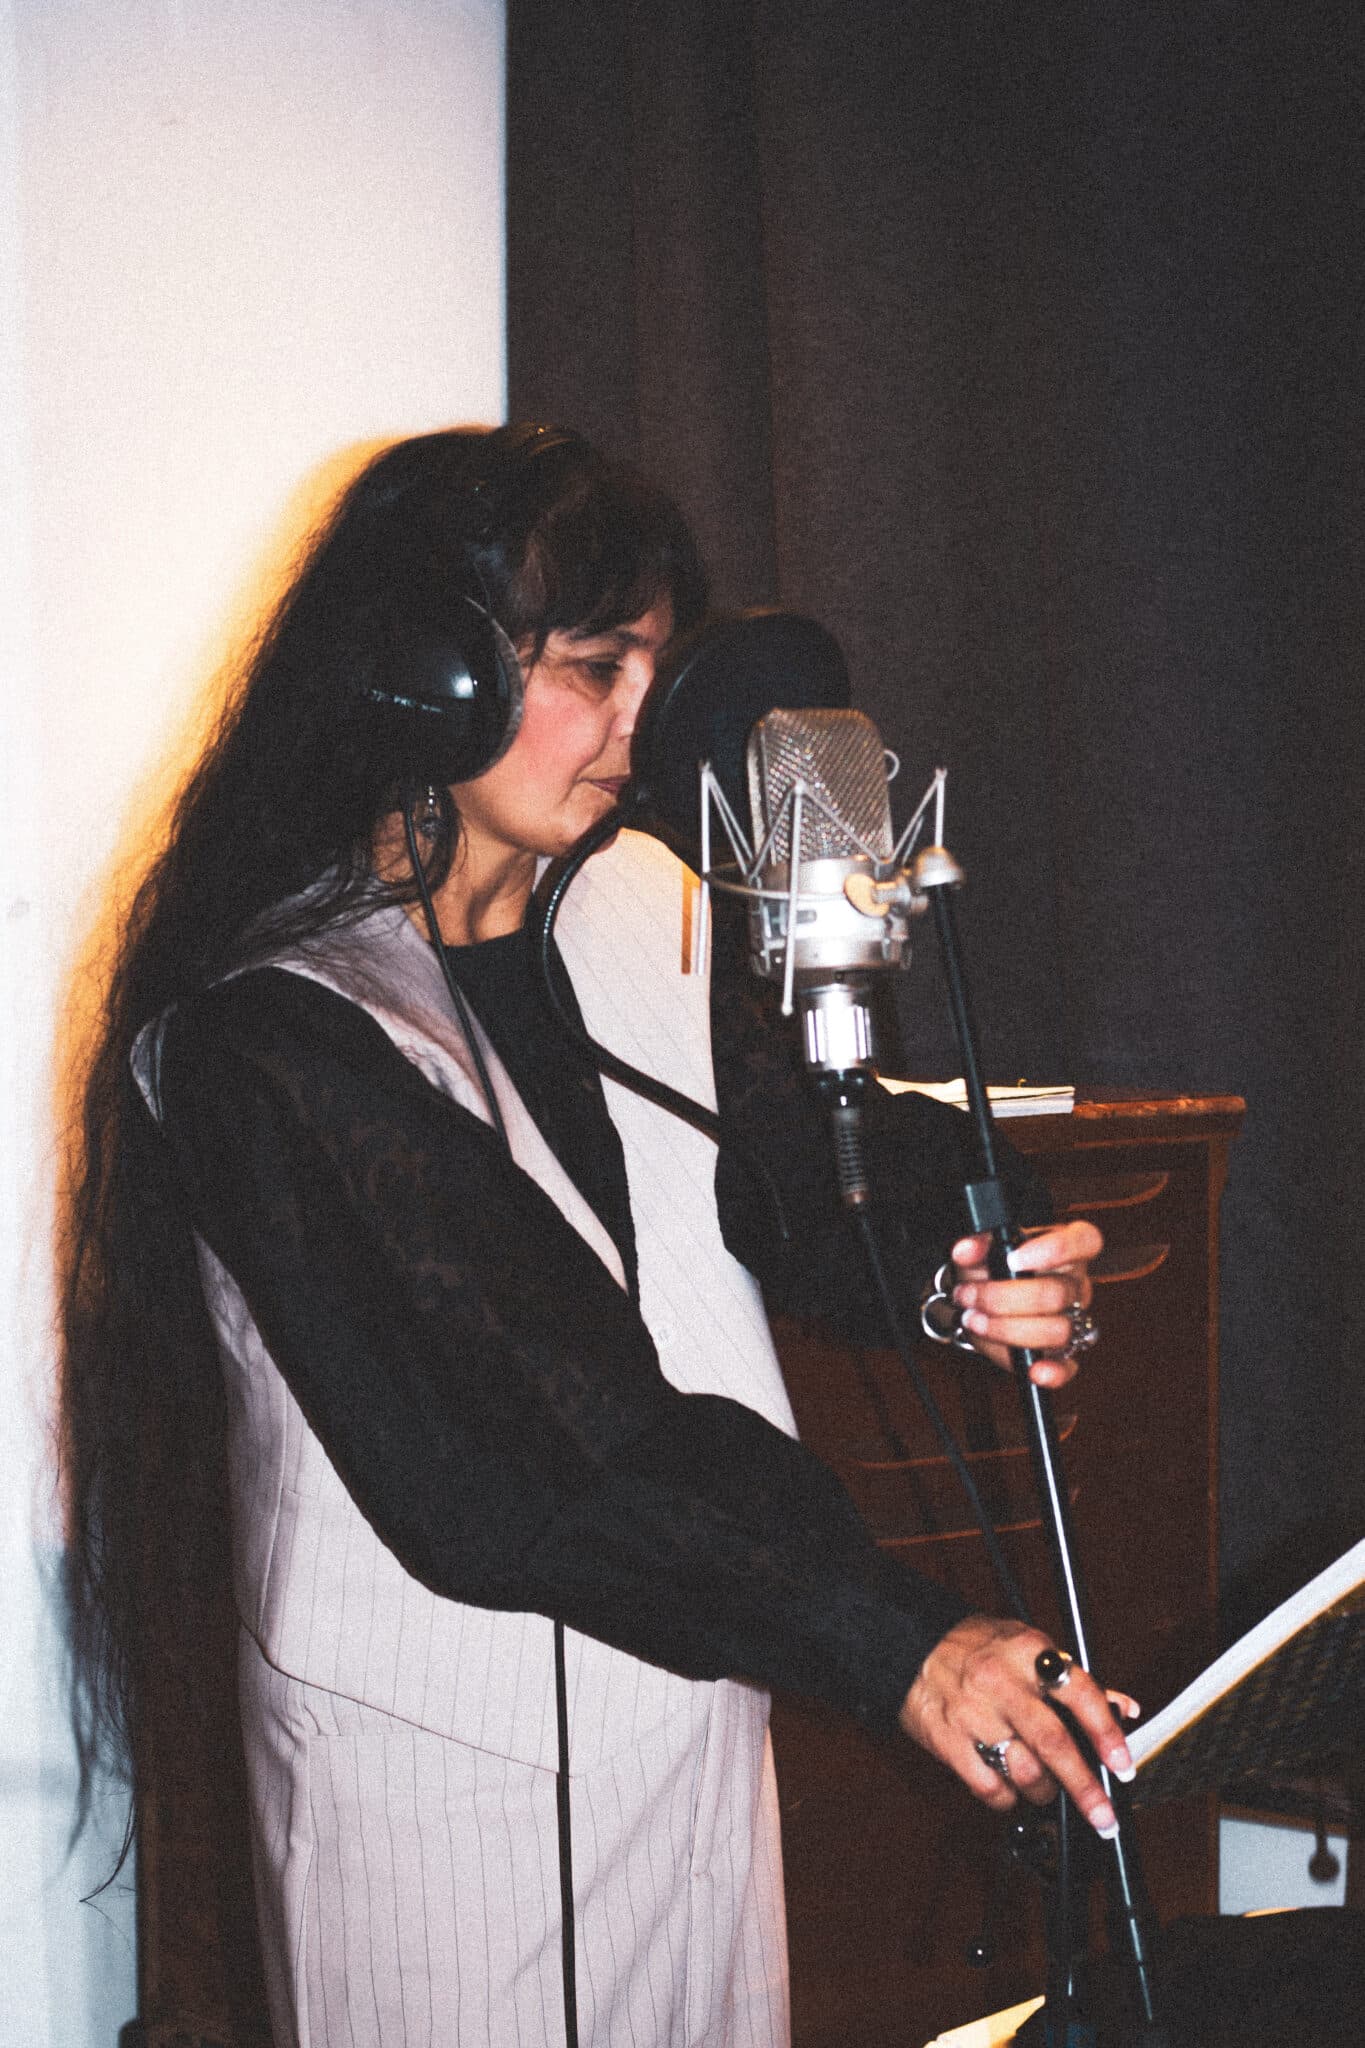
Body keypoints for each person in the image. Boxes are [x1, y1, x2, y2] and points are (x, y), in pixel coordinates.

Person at [62, 423, 1130, 2048]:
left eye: (653, 666)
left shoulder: (651, 902)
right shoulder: (265, 1033)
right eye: (593, 667)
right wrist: (901, 1643)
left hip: (694, 1706)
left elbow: (791, 1172)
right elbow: (530, 1430)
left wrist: (967, 1266)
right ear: (427, 680)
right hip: (438, 1791)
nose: (644, 722)